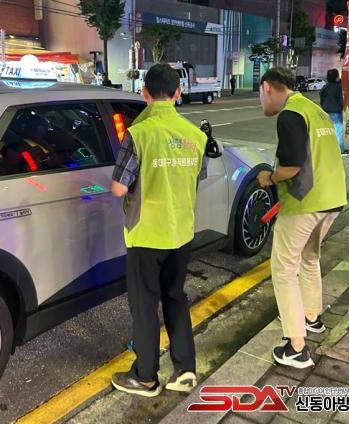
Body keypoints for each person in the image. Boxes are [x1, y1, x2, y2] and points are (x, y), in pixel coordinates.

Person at [110, 63, 208, 396]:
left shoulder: (139, 133)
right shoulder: (196, 135)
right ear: (178, 93)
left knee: (144, 305)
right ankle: (185, 369)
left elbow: (119, 189)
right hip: (180, 232)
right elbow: (197, 177)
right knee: (175, 298)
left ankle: (146, 376)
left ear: (145, 93)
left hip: (146, 234)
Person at [257, 67, 347, 369]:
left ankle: (296, 348)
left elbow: (292, 166)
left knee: (283, 269)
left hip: (304, 201)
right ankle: (312, 318)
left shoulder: (290, 114)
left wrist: (269, 178)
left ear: (268, 87)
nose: (261, 101)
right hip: (332, 198)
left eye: (260, 95)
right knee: (309, 258)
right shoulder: (315, 110)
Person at [320, 68, 349, 156]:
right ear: (337, 77)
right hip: (336, 112)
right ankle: (341, 150)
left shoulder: (324, 87)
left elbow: (322, 100)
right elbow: (341, 100)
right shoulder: (338, 87)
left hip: (325, 112)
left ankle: (329, 149)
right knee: (338, 132)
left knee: (328, 132)